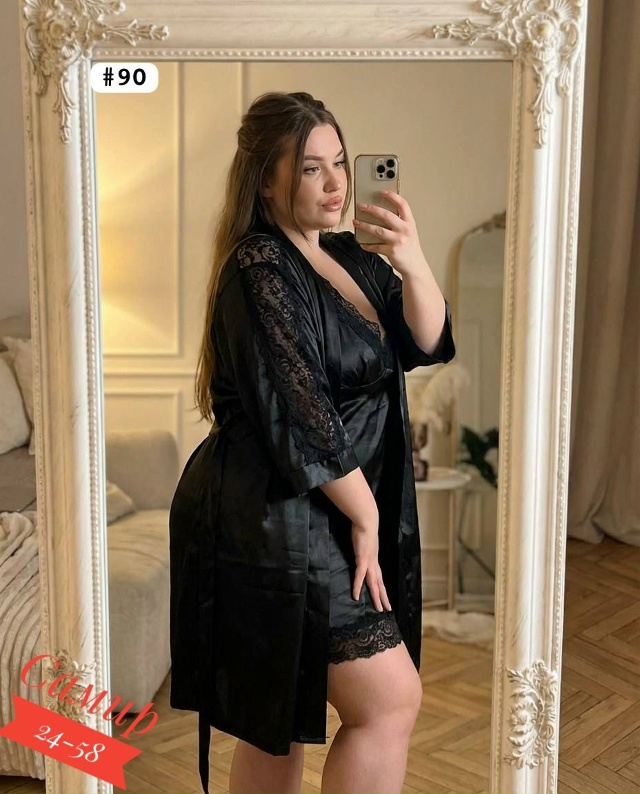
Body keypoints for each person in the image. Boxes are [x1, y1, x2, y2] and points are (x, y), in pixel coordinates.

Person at [169, 91, 455, 794]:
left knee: (279, 725)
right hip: (273, 513)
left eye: (339, 164)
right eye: (309, 169)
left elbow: (424, 342)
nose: (335, 184)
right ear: (266, 181)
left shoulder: (351, 256)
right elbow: (305, 417)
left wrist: (413, 259)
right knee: (387, 700)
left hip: (331, 500)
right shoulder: (259, 267)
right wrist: (366, 515)